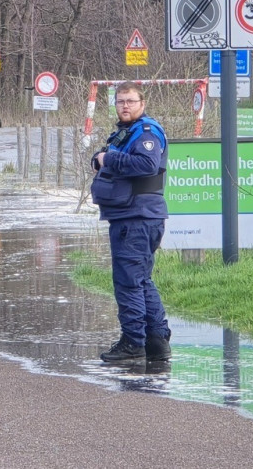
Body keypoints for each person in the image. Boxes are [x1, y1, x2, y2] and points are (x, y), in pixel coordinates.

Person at [90, 82, 172, 363]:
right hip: (132, 216)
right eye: (120, 101)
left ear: (142, 103)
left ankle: (133, 342)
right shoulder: (126, 133)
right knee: (141, 280)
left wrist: (108, 159)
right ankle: (157, 341)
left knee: (128, 283)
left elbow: (147, 165)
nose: (125, 106)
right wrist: (100, 158)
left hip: (137, 218)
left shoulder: (146, 132)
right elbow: (102, 156)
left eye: (130, 101)